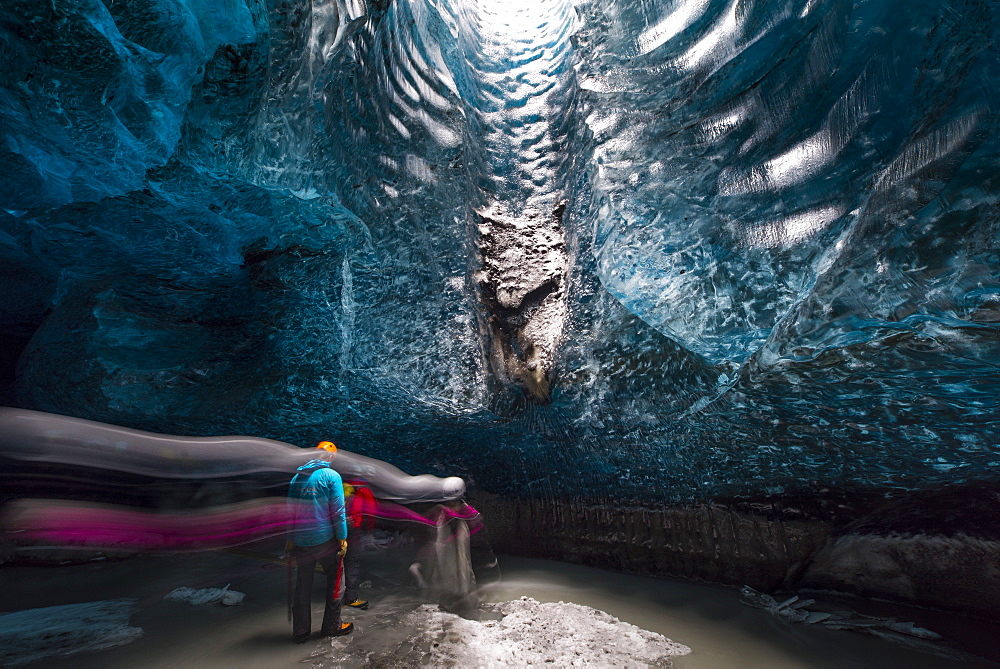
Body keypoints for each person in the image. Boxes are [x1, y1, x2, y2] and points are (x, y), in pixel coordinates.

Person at [286, 440, 353, 643]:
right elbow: (338, 511)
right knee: (336, 582)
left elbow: (290, 511)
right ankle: (332, 626)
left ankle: (300, 632)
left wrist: (290, 539)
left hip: (301, 541)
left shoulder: (297, 477)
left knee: (303, 586)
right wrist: (342, 537)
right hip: (325, 539)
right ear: (331, 457)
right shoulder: (332, 476)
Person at [342, 478, 377, 610]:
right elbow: (370, 511)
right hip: (352, 529)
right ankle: (351, 598)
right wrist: (369, 530)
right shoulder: (363, 490)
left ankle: (336, 595)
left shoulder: (342, 485)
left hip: (336, 528)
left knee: (339, 562)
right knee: (352, 563)